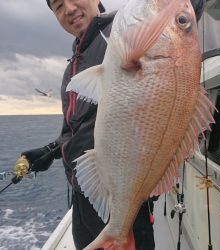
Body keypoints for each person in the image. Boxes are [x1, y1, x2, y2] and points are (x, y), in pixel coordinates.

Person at [19, 1, 205, 249]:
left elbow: (185, 9)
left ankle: (120, 230)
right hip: (82, 196)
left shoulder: (117, 31)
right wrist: (52, 150)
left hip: (123, 197)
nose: (70, 9)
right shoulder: (75, 62)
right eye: (58, 6)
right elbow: (75, 127)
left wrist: (181, 13)